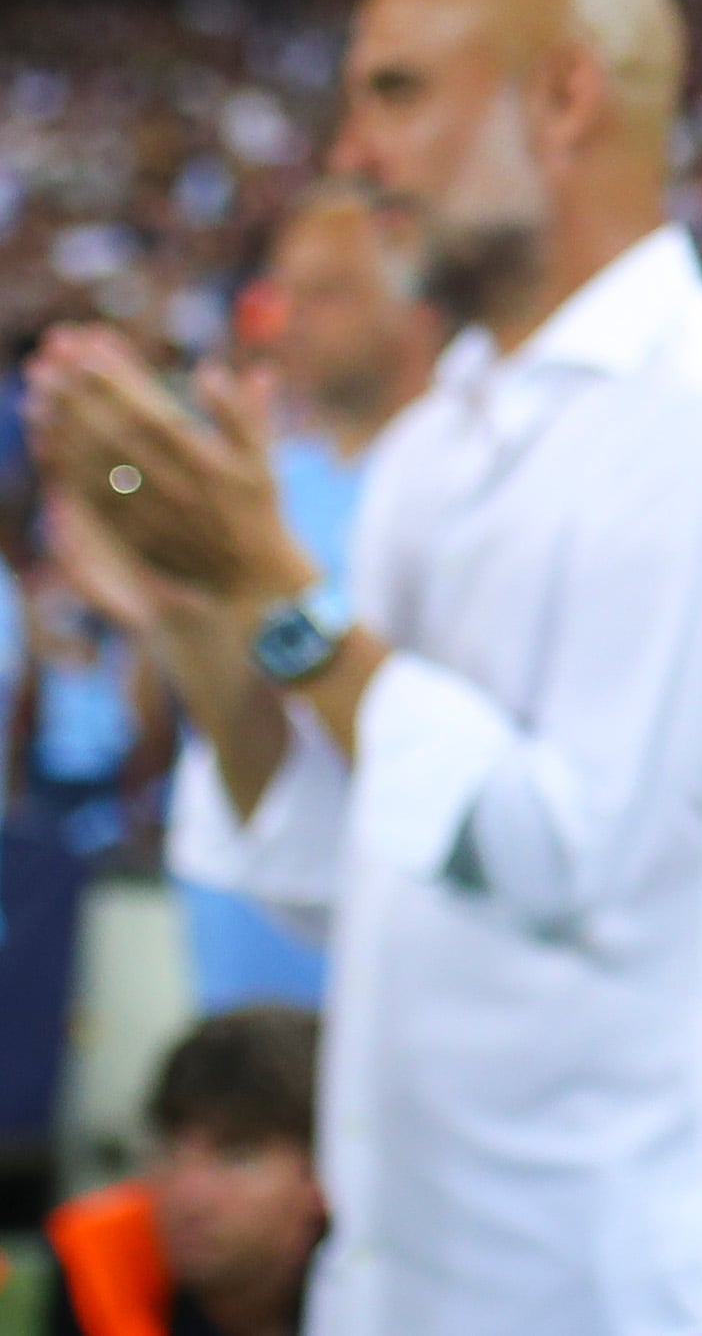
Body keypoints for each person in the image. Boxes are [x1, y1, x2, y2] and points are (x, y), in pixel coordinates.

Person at [24, 0, 702, 1336]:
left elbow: (553, 848)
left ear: (562, 96)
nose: (354, 152)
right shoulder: (441, 440)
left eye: (397, 92)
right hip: (409, 1264)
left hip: (633, 1275)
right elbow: (327, 851)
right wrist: (196, 607)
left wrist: (274, 588)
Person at [167, 184, 439, 1013]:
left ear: (417, 311)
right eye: (286, 292)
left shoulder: (454, 485)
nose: (292, 319)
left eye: (330, 291)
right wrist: (166, 599)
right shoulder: (271, 478)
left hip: (387, 934)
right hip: (236, 902)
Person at [43, 1005, 327, 1336]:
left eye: (237, 1155)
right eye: (168, 1150)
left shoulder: (387, 1293)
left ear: (322, 1172)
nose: (186, 1196)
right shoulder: (78, 1277)